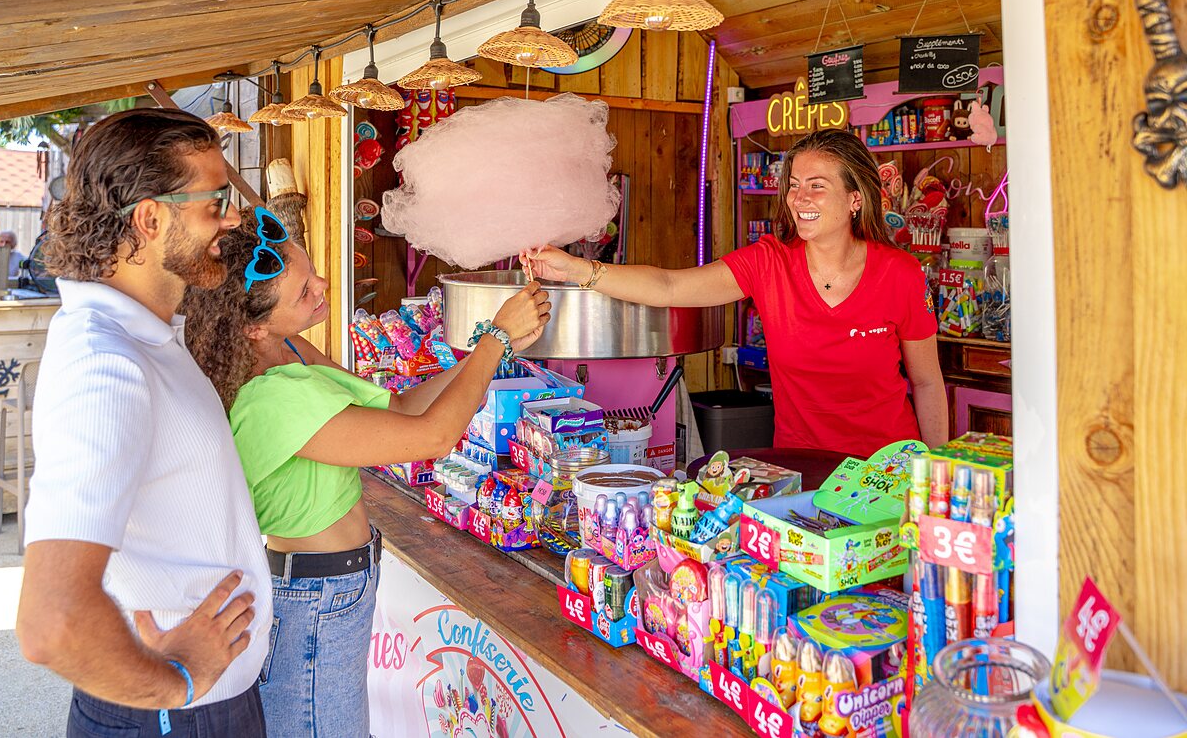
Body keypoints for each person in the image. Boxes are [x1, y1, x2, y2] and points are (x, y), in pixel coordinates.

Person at [180, 208, 550, 737]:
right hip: (313, 597)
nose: (323, 286)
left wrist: (490, 350)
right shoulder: (270, 400)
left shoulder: (285, 351)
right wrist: (494, 342)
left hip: (333, 586)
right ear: (254, 326)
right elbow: (430, 438)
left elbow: (400, 409)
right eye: (305, 291)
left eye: (313, 273)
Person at [17, 108, 273, 737]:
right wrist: (177, 682)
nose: (234, 218)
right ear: (151, 218)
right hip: (172, 713)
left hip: (200, 703)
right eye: (216, 201)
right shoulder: (106, 364)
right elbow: (51, 622)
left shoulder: (142, 341)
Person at [526, 128, 947, 455]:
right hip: (802, 471)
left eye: (817, 185)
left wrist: (937, 471)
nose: (799, 198)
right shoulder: (769, 263)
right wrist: (578, 269)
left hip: (889, 472)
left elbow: (927, 382)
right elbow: (670, 286)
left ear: (855, 199)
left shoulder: (900, 274)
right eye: (794, 184)